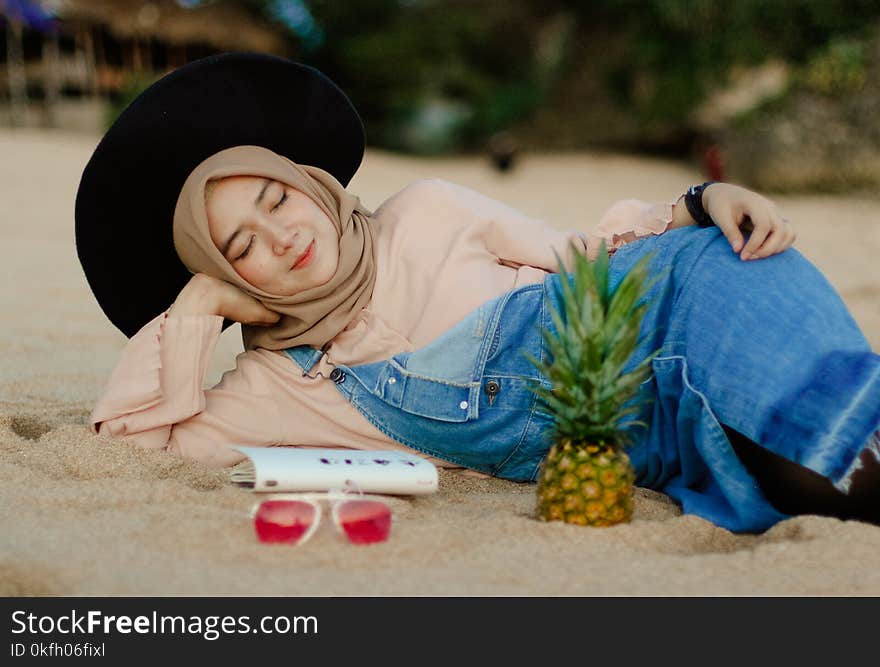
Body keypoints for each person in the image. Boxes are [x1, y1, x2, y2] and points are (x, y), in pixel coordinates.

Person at [77, 54, 879, 534]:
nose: (279, 236)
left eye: (276, 200)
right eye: (239, 247)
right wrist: (196, 309)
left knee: (735, 269)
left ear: (310, 185)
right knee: (804, 472)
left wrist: (698, 204)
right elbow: (126, 448)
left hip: (643, 308)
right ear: (228, 274)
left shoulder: (426, 210)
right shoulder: (277, 383)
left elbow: (582, 256)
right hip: (631, 438)